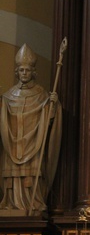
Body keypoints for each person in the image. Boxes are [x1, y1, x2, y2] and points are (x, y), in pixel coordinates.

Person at [0, 43, 62, 214]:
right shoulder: (8, 96)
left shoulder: (42, 95)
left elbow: (48, 121)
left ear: (33, 72)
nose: (24, 73)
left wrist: (52, 107)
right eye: (21, 70)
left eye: (27, 70)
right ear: (17, 72)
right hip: (11, 145)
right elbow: (4, 122)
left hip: (33, 145)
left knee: (30, 178)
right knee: (12, 180)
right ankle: (10, 203)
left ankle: (33, 202)